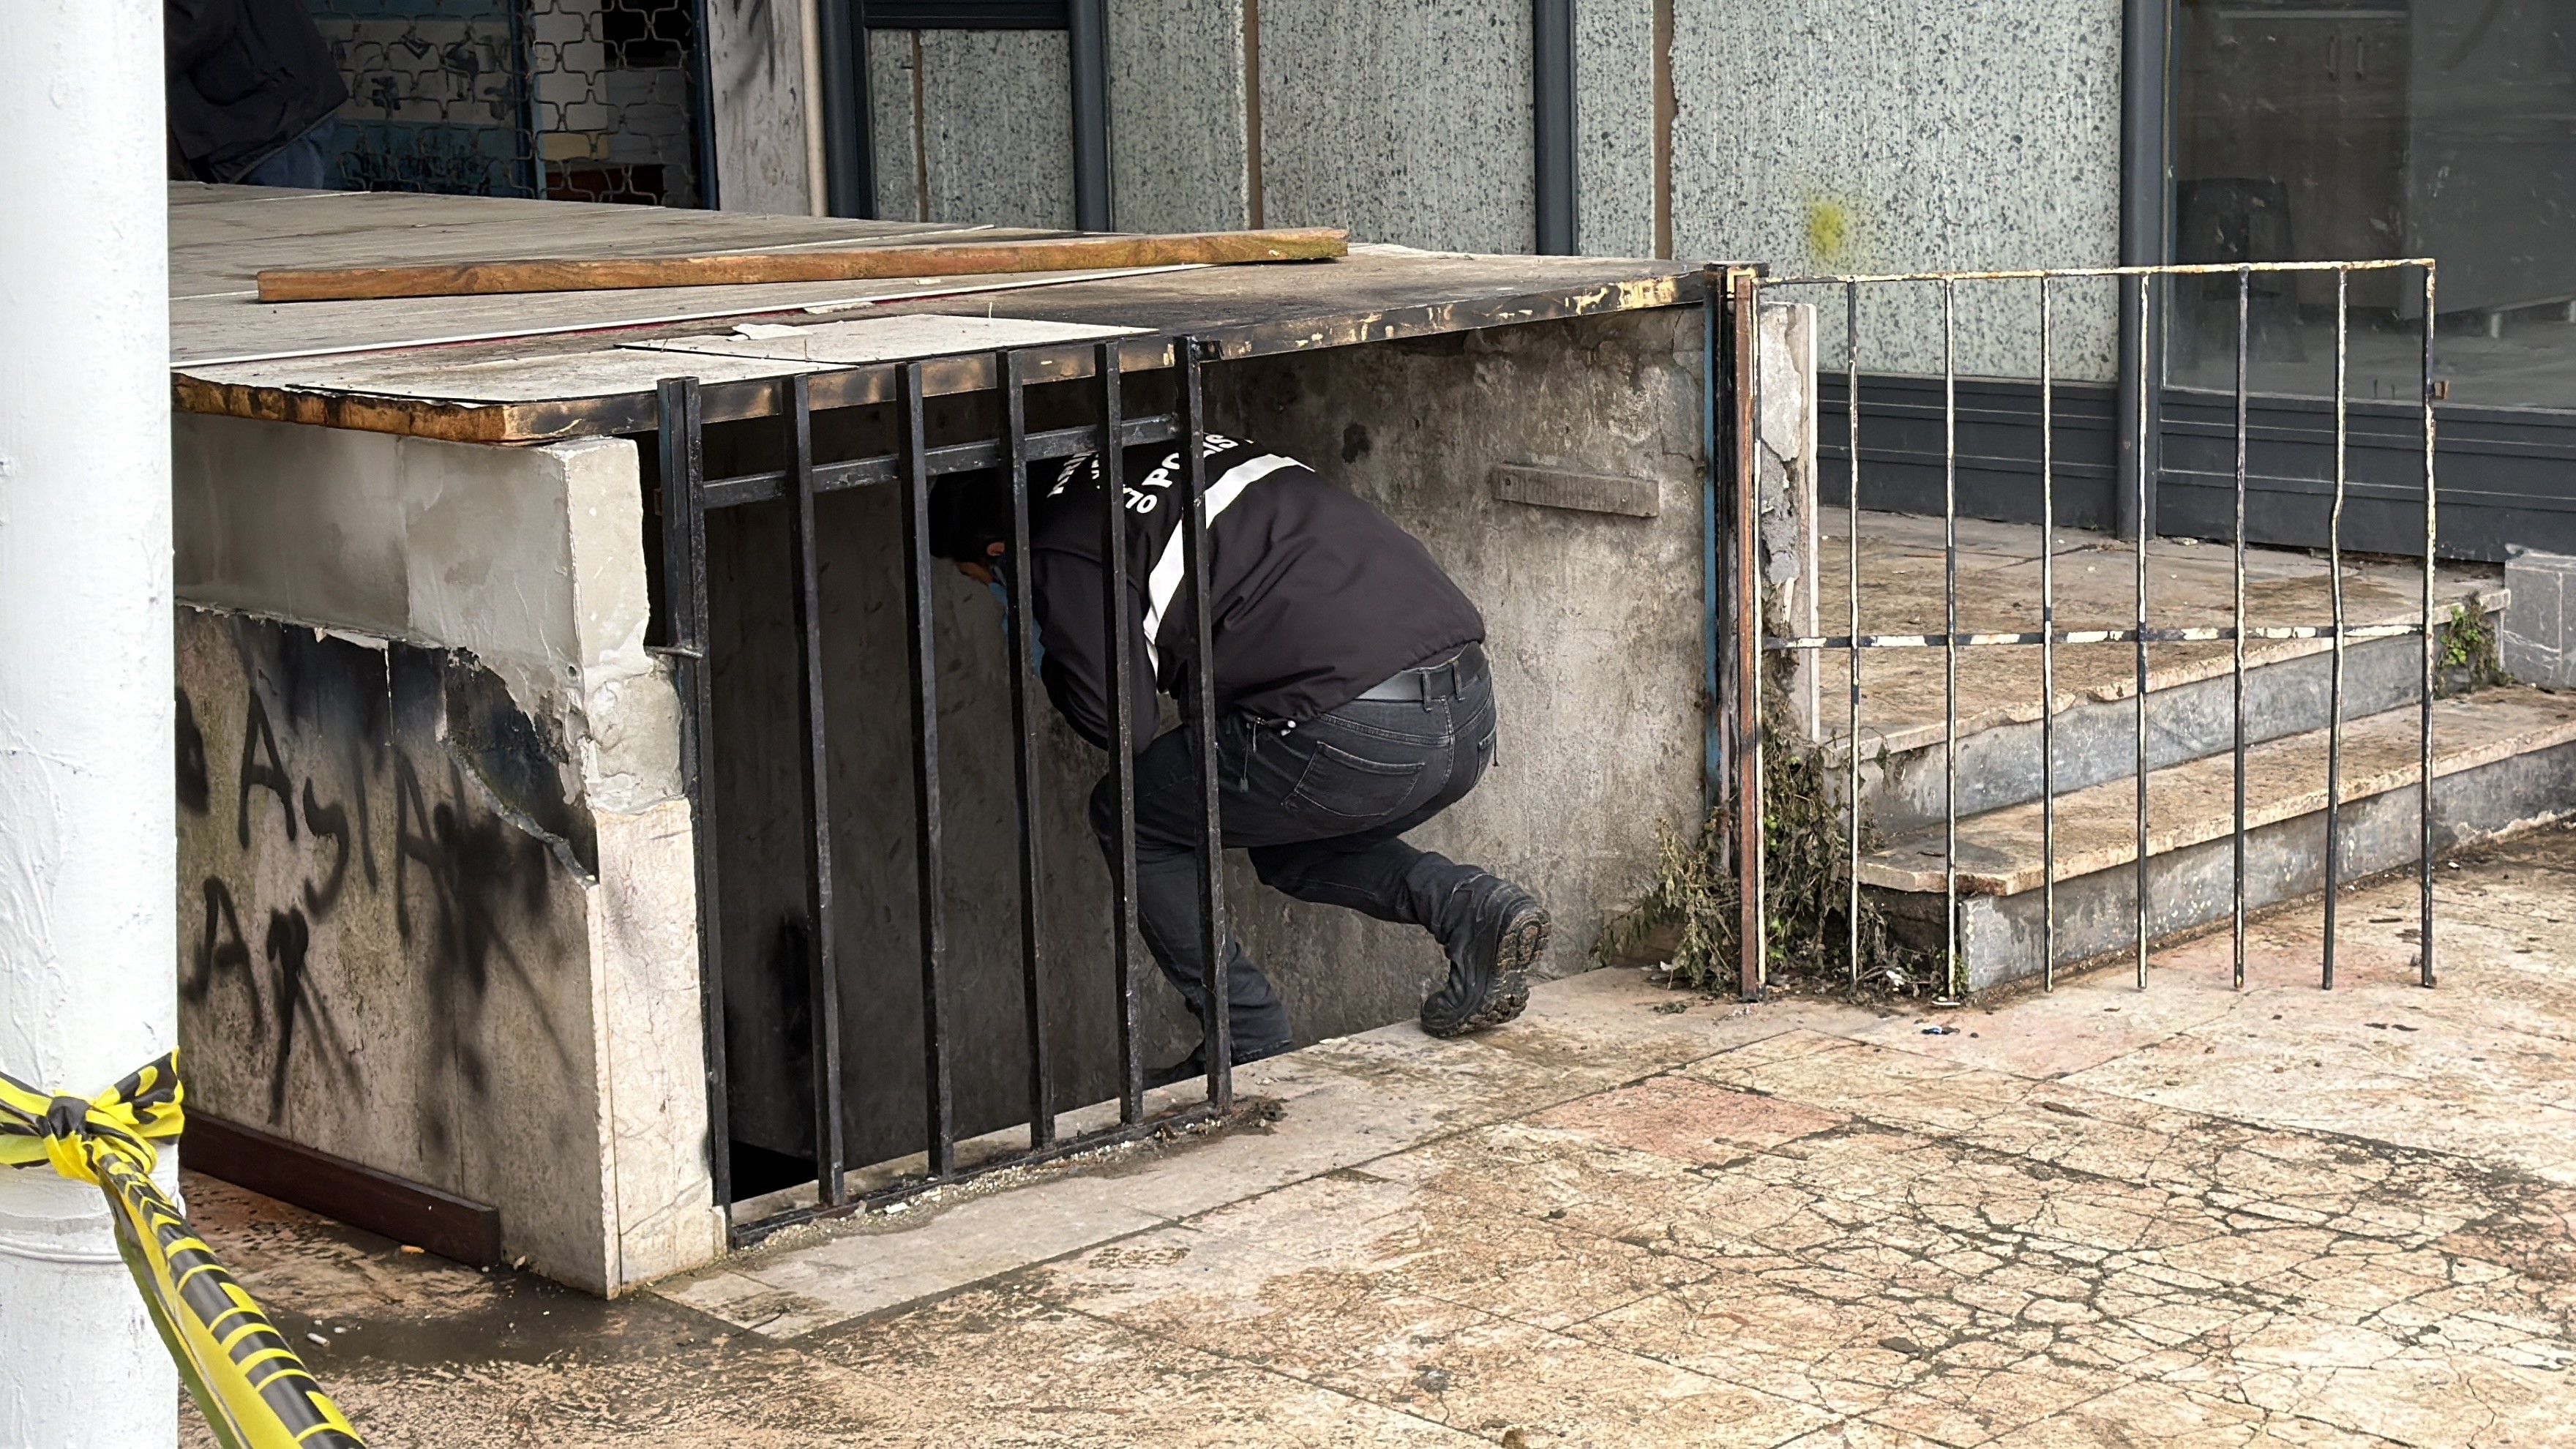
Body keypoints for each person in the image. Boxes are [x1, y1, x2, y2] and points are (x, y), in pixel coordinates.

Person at [930, 433, 1549, 1088]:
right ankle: (1471, 908)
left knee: (1128, 814)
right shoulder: (1169, 448)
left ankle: (1246, 1034)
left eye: (983, 581)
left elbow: (1119, 721)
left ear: (996, 551)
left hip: (1352, 726)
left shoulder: (1057, 544)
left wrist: (1047, 640)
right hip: (1468, 709)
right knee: (1284, 837)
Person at [165, 0, 349, 190]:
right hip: (260, 109)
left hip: (270, 115)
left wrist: (137, 61)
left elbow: (193, 20)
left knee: (279, 214)